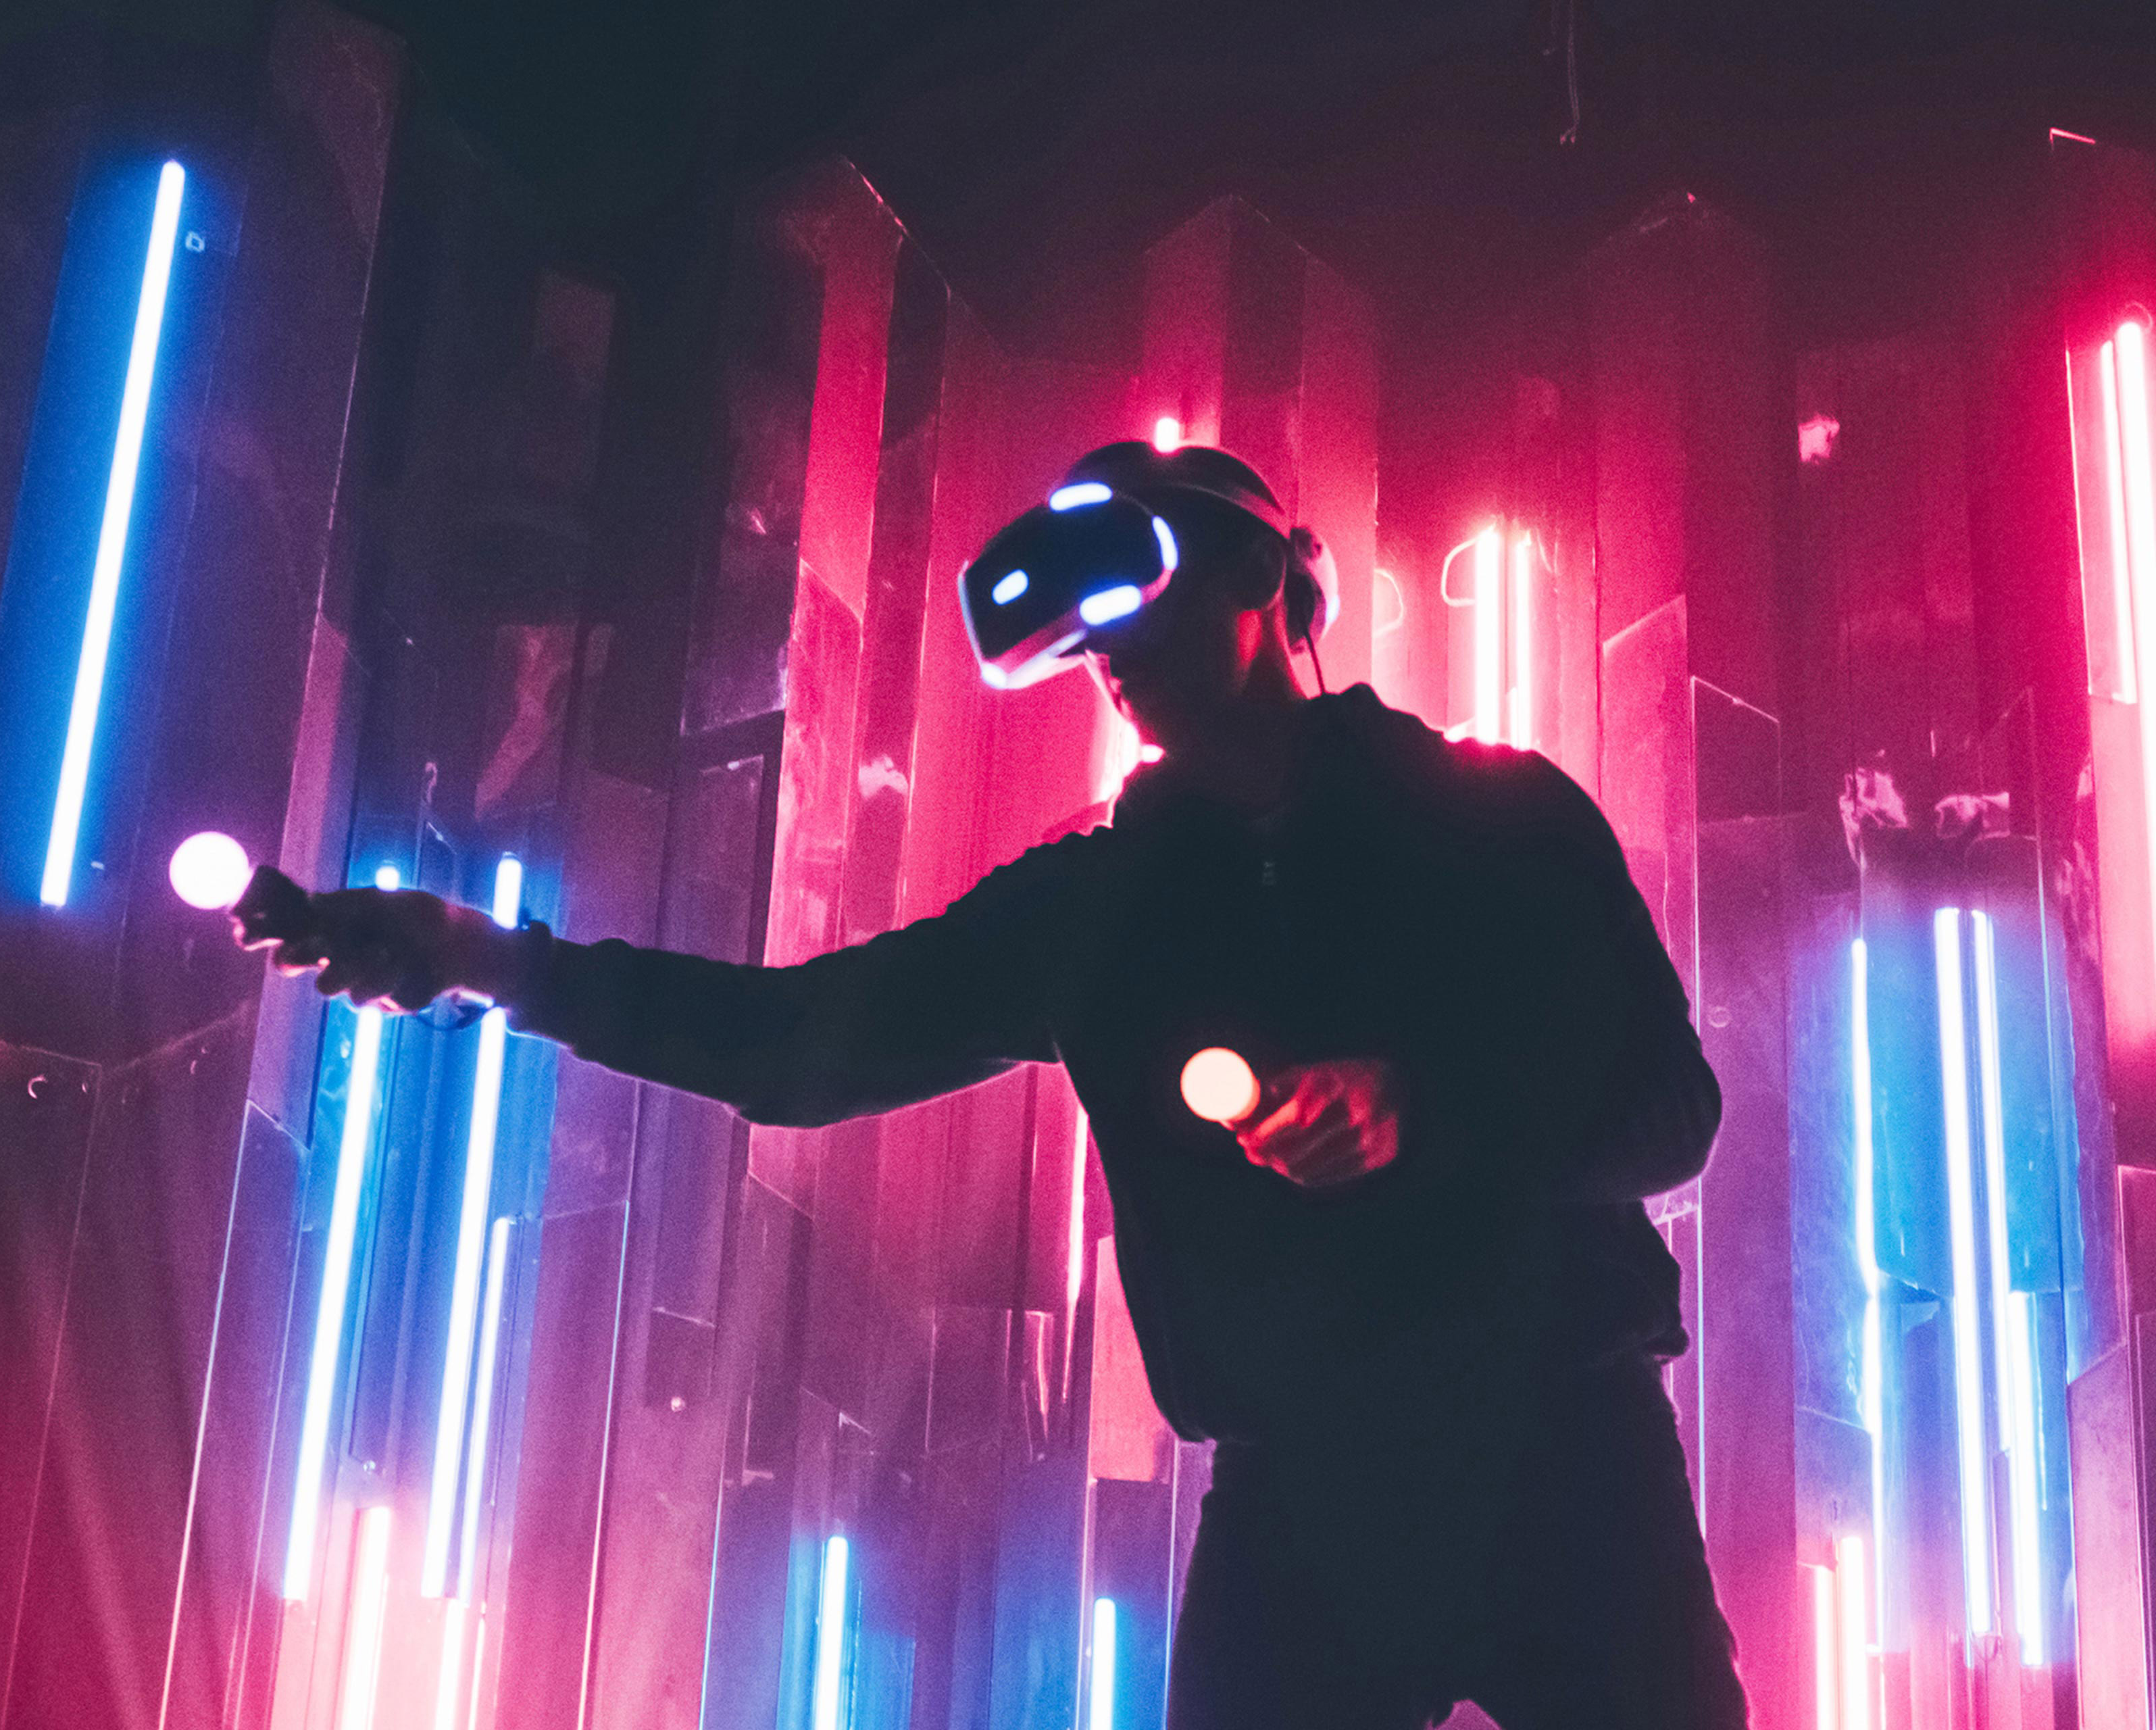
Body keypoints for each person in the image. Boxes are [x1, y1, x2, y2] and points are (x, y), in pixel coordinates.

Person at [249, 441, 1744, 1727]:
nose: (1108, 652)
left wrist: (1433, 1108)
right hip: (1305, 1496)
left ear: (1266, 575)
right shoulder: (1096, 911)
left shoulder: (1497, 820)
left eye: (1132, 594)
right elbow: (798, 1041)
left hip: (1562, 1450)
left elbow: (1669, 1107)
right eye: (1089, 632)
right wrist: (488, 958)